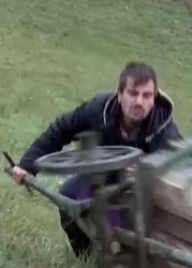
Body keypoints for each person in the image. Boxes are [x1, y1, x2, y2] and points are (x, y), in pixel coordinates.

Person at [11, 62, 182, 256]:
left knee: (140, 227)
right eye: (133, 93)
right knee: (69, 198)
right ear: (120, 95)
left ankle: (127, 259)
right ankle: (87, 257)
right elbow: (62, 129)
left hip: (137, 193)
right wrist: (27, 165)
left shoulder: (164, 131)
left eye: (147, 96)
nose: (139, 102)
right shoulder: (99, 109)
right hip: (100, 178)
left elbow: (174, 179)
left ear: (154, 99)